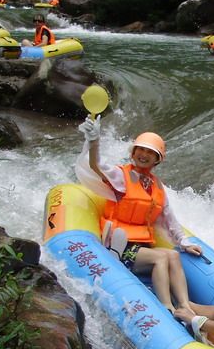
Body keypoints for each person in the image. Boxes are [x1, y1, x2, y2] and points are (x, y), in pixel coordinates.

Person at [75, 116, 203, 314]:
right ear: (133, 152)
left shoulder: (157, 185)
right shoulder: (121, 176)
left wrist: (184, 242)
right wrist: (94, 142)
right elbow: (95, 165)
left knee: (173, 255)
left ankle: (185, 305)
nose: (144, 155)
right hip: (119, 246)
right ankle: (167, 307)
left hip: (141, 246)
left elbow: (169, 217)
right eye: (140, 150)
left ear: (158, 159)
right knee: (160, 258)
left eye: (150, 152)